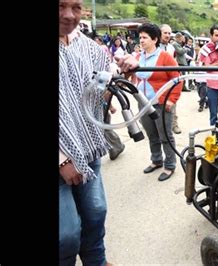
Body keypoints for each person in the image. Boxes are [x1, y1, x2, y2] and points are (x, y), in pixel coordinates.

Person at [59, 0, 112, 264]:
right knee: (65, 234)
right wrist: (63, 160)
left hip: (87, 147)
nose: (69, 15)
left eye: (76, 7)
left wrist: (122, 66)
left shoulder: (84, 44)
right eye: (60, 6)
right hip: (62, 159)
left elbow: (106, 70)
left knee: (96, 215)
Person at [117, 23, 183, 181]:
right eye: (140, 37)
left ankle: (170, 165)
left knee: (165, 136)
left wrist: (171, 100)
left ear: (155, 39)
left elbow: (177, 79)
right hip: (144, 104)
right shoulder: (138, 57)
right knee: (152, 135)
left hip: (161, 103)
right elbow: (132, 76)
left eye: (145, 37)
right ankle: (156, 160)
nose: (141, 40)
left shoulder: (165, 57)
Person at [159, 24, 182, 134]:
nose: (167, 35)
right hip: (158, 80)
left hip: (170, 80)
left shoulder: (171, 47)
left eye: (169, 33)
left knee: (172, 102)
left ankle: (174, 124)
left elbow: (174, 61)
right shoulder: (154, 47)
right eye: (165, 33)